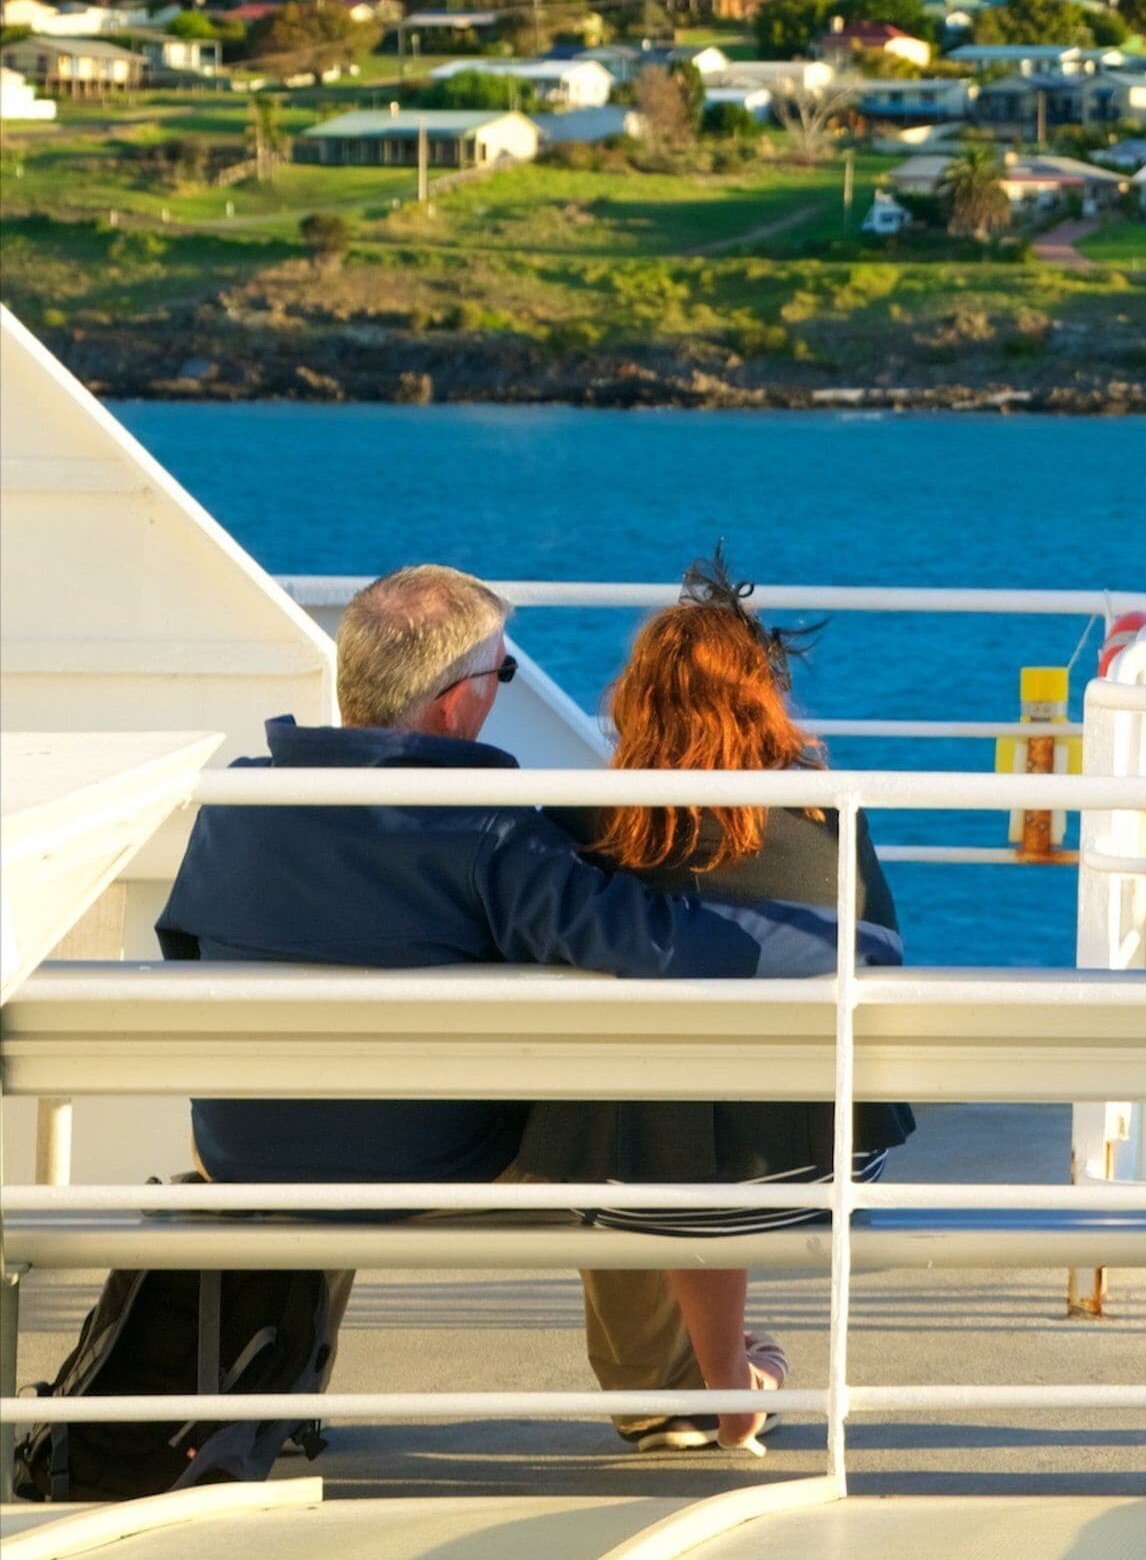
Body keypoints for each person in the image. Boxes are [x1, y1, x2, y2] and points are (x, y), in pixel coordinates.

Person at [156, 562, 891, 1455]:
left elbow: (182, 942)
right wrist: (842, 940)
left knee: (319, 1106)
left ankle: (270, 1381)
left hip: (247, 1145)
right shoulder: (489, 832)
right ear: (455, 702)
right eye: (500, 677)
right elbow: (661, 943)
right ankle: (665, 1392)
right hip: (424, 1162)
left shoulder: (238, 800)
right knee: (614, 1112)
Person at [517, 556, 913, 1452]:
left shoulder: (584, 827)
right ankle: (731, 1384)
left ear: (636, 700)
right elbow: (882, 967)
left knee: (648, 1121)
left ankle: (708, 1386)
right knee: (712, 1116)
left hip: (631, 1194)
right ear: (761, 705)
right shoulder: (827, 821)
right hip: (819, 1173)